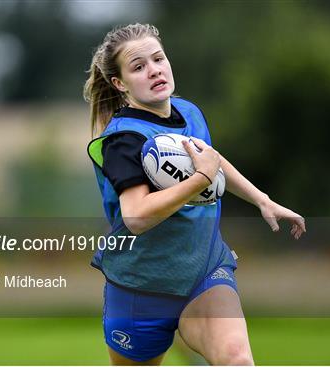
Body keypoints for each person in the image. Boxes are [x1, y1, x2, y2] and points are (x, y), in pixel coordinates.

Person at [84, 23, 306, 366]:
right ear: (119, 83)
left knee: (237, 360)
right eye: (138, 67)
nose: (154, 69)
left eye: (158, 59)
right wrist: (200, 177)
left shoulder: (189, 111)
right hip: (140, 286)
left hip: (202, 272)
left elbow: (212, 161)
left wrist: (261, 198)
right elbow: (137, 216)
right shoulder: (123, 139)